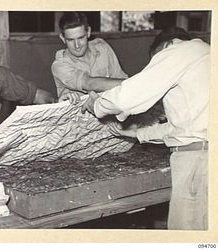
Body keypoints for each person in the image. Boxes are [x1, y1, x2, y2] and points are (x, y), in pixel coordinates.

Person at [81, 27, 209, 230]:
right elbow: (182, 127)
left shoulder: (176, 51)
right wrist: (136, 133)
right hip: (203, 155)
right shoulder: (205, 54)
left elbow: (127, 96)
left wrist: (96, 105)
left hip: (197, 162)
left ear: (165, 48)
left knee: (187, 237)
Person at [51, 12, 128, 103]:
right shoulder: (59, 65)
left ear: (88, 32)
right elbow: (89, 83)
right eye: (71, 40)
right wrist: (135, 83)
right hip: (79, 116)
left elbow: (120, 77)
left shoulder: (102, 48)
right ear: (63, 38)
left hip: (109, 112)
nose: (77, 45)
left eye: (81, 38)